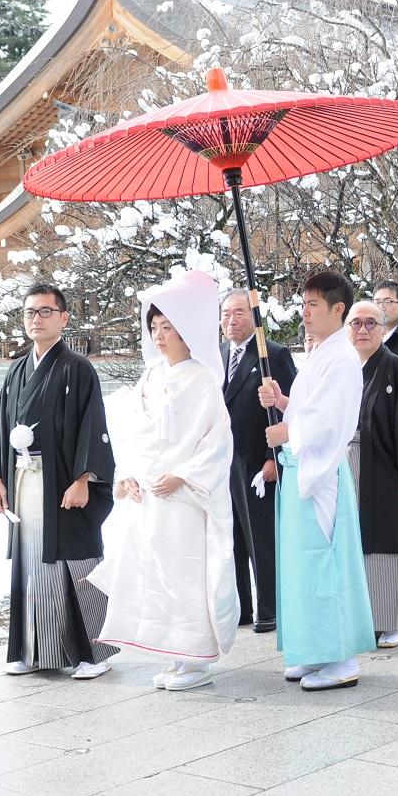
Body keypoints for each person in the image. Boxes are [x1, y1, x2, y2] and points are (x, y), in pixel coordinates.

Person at [88, 272, 238, 691]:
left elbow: (216, 440)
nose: (159, 336)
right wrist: (130, 475)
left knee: (185, 573)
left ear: (188, 331)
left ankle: (196, 657)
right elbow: (136, 434)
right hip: (151, 495)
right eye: (154, 328)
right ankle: (174, 653)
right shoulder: (150, 377)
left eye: (168, 327)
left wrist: (184, 477)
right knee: (157, 575)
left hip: (183, 495)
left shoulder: (204, 379)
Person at [0, 282, 117, 679]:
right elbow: (0, 427)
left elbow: (93, 426)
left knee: (76, 560)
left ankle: (97, 653)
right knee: (31, 563)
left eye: (45, 311)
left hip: (63, 482)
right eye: (29, 313)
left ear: (63, 318)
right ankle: (36, 649)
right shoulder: (16, 369)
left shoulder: (78, 368)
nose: (36, 319)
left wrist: (83, 479)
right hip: (25, 480)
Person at [258, 271, 373, 691]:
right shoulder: (323, 353)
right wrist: (283, 401)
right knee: (304, 560)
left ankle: (342, 657)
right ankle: (318, 650)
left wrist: (287, 430)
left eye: (313, 306)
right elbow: (309, 406)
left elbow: (329, 417)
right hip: (304, 465)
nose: (304, 314)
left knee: (324, 557)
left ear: (337, 309)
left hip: (321, 471)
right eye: (303, 305)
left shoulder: (342, 357)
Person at [347, 300, 398, 648]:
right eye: (356, 324)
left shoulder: (396, 368)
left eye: (371, 324)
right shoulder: (343, 367)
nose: (363, 330)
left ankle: (396, 620)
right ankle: (367, 617)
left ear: (383, 330)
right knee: (359, 544)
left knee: (391, 540)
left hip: (386, 466)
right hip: (350, 466)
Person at [220, 289, 299, 633]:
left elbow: (289, 410)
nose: (231, 320)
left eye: (238, 313)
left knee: (261, 537)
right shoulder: (217, 354)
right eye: (225, 314)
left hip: (258, 459)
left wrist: (273, 458)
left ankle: (270, 608)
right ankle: (241, 605)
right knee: (231, 536)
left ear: (253, 317)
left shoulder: (273, 355)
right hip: (224, 460)